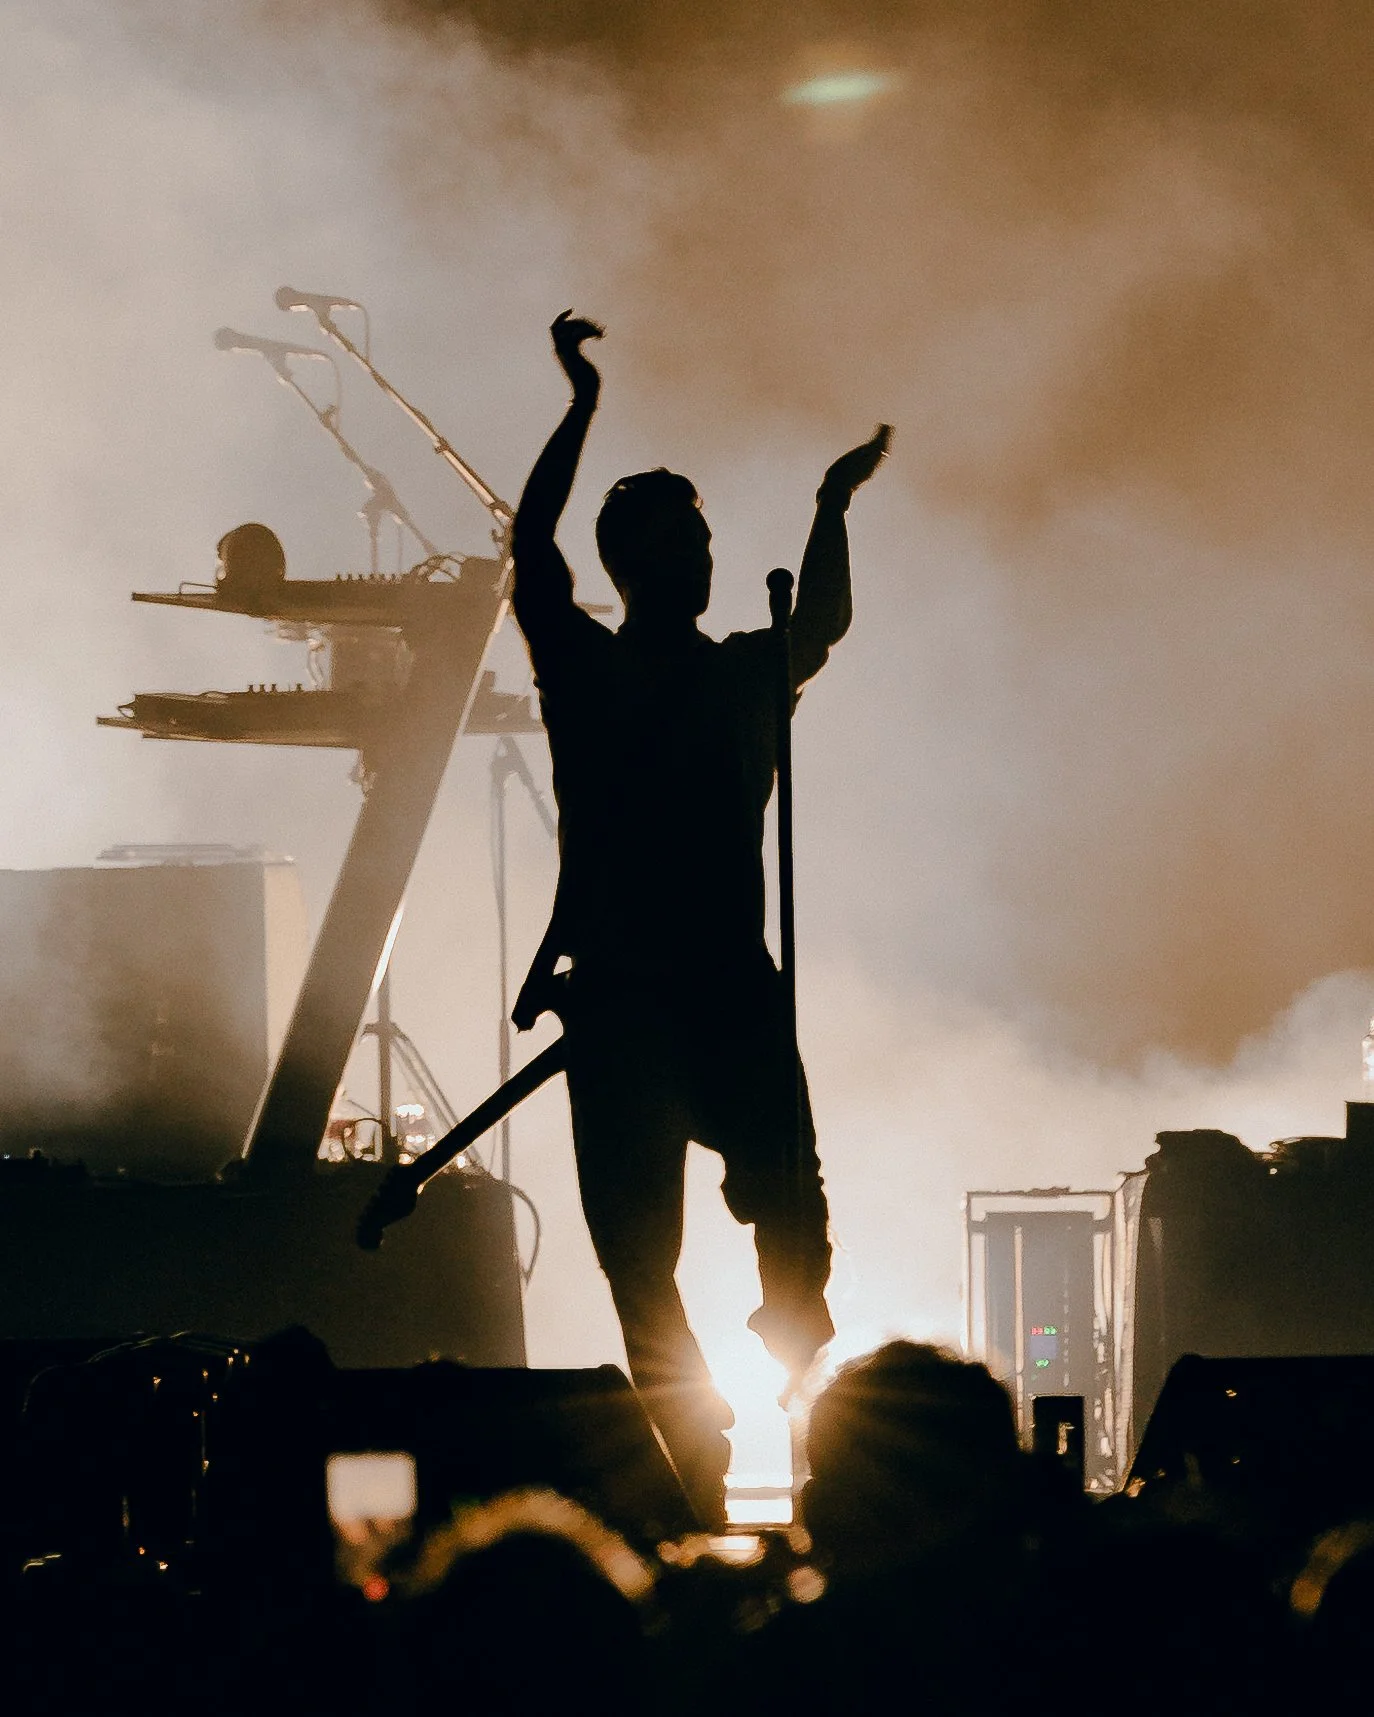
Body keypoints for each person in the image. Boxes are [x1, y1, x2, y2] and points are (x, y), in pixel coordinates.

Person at [510, 309, 889, 1528]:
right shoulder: (593, 669)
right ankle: (698, 1462)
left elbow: (820, 625)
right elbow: (530, 548)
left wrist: (831, 510)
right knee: (642, 1261)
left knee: (791, 1223)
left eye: (707, 539)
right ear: (636, 563)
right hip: (640, 1000)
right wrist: (578, 410)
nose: (706, 558)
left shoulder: (733, 676)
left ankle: (794, 1407)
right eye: (686, 541)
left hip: (709, 993)